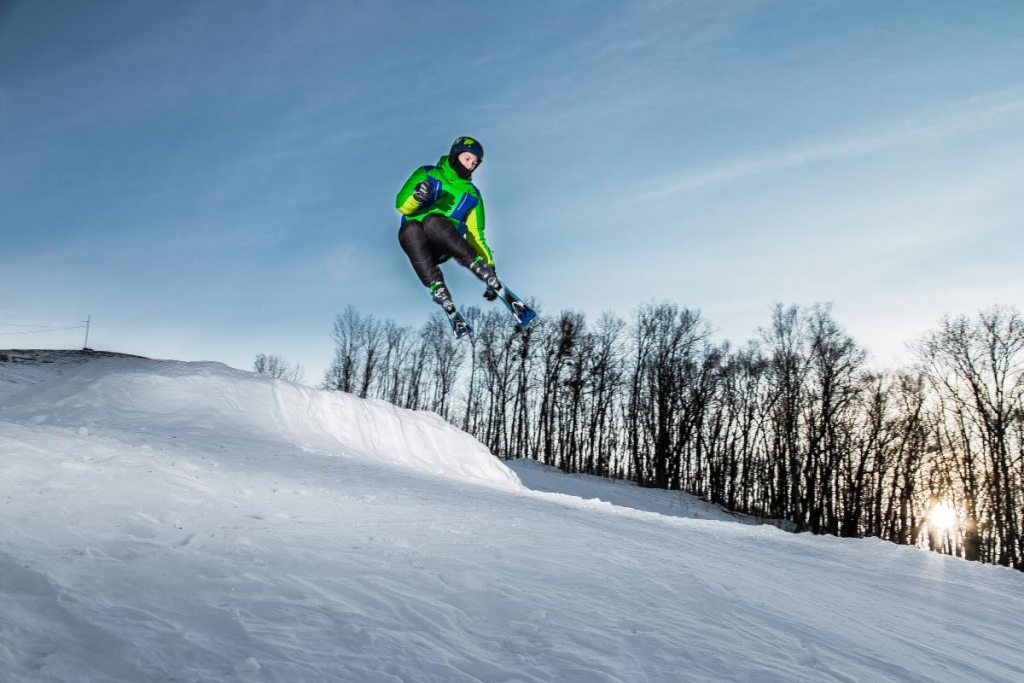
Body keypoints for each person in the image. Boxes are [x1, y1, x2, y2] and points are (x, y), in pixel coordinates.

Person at [395, 137, 501, 325]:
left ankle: (475, 266)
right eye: (467, 159)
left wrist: (489, 267)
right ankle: (436, 286)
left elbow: (475, 233)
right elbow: (401, 205)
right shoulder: (427, 173)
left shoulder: (472, 194)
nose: (469, 166)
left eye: (474, 163)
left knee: (433, 220)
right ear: (455, 155)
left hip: (446, 241)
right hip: (419, 243)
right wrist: (417, 197)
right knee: (409, 229)